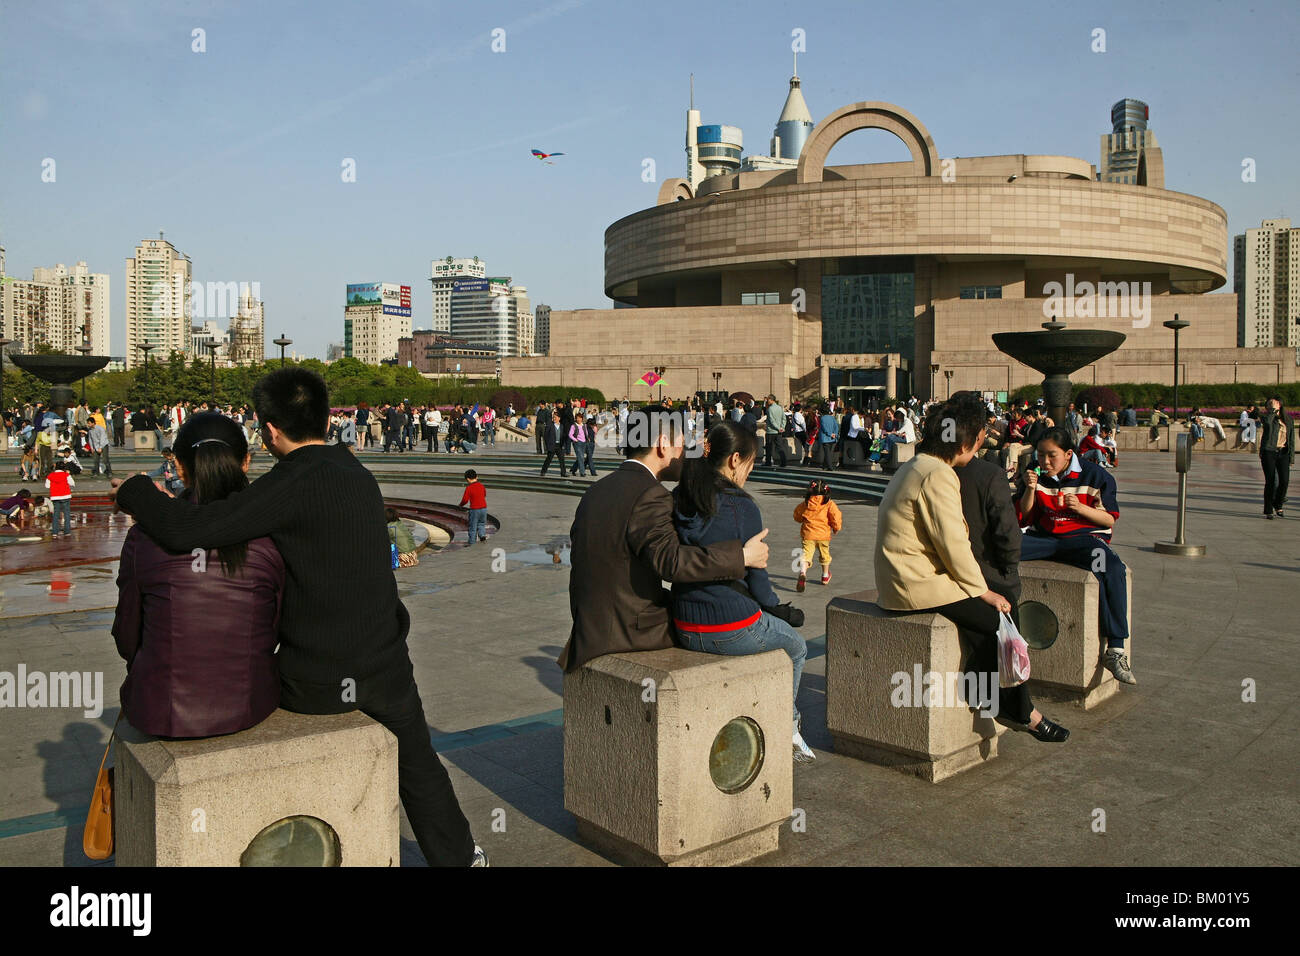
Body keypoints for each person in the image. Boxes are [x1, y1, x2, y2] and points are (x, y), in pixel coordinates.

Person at [112, 368, 486, 867]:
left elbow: (190, 529)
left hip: (317, 679)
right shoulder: (356, 473)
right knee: (420, 765)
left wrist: (135, 491)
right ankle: (461, 858)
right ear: (325, 418)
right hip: (386, 663)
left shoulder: (291, 482)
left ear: (269, 431)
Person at [874, 397, 1069, 741]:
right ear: (968, 442)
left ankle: (999, 700)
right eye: (980, 437)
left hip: (906, 578)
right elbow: (953, 544)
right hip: (917, 584)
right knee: (998, 621)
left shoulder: (918, 466)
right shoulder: (938, 475)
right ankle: (1020, 711)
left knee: (986, 622)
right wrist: (983, 590)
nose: (982, 442)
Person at [558, 405, 769, 674]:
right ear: (662, 444)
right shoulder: (649, 494)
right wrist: (742, 557)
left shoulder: (597, 489)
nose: (685, 454)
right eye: (681, 444)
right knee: (733, 624)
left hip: (592, 626)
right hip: (629, 631)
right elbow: (672, 562)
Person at [112, 412, 285, 738]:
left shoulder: (143, 539)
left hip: (161, 712)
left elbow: (127, 634)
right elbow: (273, 626)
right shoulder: (269, 536)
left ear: (178, 466)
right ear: (245, 462)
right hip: (249, 704)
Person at [670, 420, 813, 761]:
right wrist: (778, 610)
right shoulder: (741, 506)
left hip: (685, 624)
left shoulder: (681, 496)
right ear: (735, 460)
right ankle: (789, 728)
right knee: (796, 647)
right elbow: (759, 581)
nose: (750, 470)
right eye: (751, 462)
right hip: (731, 628)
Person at [1018, 427, 1135, 684]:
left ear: (1068, 453)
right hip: (1045, 539)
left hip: (1084, 540)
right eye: (1040, 455)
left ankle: (1115, 647)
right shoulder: (1034, 475)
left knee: (1111, 568)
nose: (1045, 462)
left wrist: (1080, 508)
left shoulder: (1096, 476)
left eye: (1052, 456)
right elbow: (1024, 517)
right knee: (1003, 550)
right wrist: (1030, 489)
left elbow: (1108, 519)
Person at [794, 479, 841, 591]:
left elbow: (797, 515)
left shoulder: (806, 503)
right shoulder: (829, 504)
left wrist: (801, 519)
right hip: (823, 535)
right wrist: (836, 528)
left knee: (806, 554)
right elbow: (835, 516)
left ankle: (803, 572)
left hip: (808, 534)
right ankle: (825, 576)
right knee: (824, 555)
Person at [1258, 396, 1295, 519]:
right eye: (1269, 404)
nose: (1272, 405)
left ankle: (1278, 504)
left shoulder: (1288, 419)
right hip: (1269, 452)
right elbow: (1268, 424)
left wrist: (1292, 457)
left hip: (1283, 452)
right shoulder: (1266, 417)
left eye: (1274, 403)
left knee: (1284, 481)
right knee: (1271, 481)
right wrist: (1273, 412)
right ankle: (1269, 510)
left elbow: (1291, 438)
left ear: (1281, 404)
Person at [45, 456, 75, 538]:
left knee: (56, 514)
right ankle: (67, 531)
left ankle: (55, 532)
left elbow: (47, 486)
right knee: (66, 514)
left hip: (55, 497)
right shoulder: (66, 475)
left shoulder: (50, 475)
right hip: (65, 495)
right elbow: (72, 483)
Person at [459, 469, 488, 544]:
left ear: (467, 479)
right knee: (481, 523)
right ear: (477, 477)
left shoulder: (469, 488)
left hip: (475, 509)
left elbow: (465, 500)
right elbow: (484, 494)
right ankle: (482, 535)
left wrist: (460, 505)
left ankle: (472, 542)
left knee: (473, 526)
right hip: (484, 508)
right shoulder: (481, 485)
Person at [540, 411, 567, 477]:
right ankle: (543, 471)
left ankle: (563, 473)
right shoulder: (550, 425)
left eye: (556, 417)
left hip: (559, 445)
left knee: (562, 460)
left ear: (559, 418)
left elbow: (563, 436)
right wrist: (547, 446)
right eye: (553, 417)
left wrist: (563, 445)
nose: (554, 418)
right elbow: (545, 436)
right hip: (552, 445)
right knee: (548, 459)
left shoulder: (562, 426)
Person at [815, 403, 839, 471]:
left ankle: (830, 466)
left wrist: (830, 434)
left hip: (825, 438)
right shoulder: (832, 417)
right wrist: (835, 434)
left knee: (827, 453)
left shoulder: (822, 418)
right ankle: (825, 465)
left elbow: (824, 428)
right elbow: (836, 426)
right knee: (828, 452)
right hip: (832, 438)